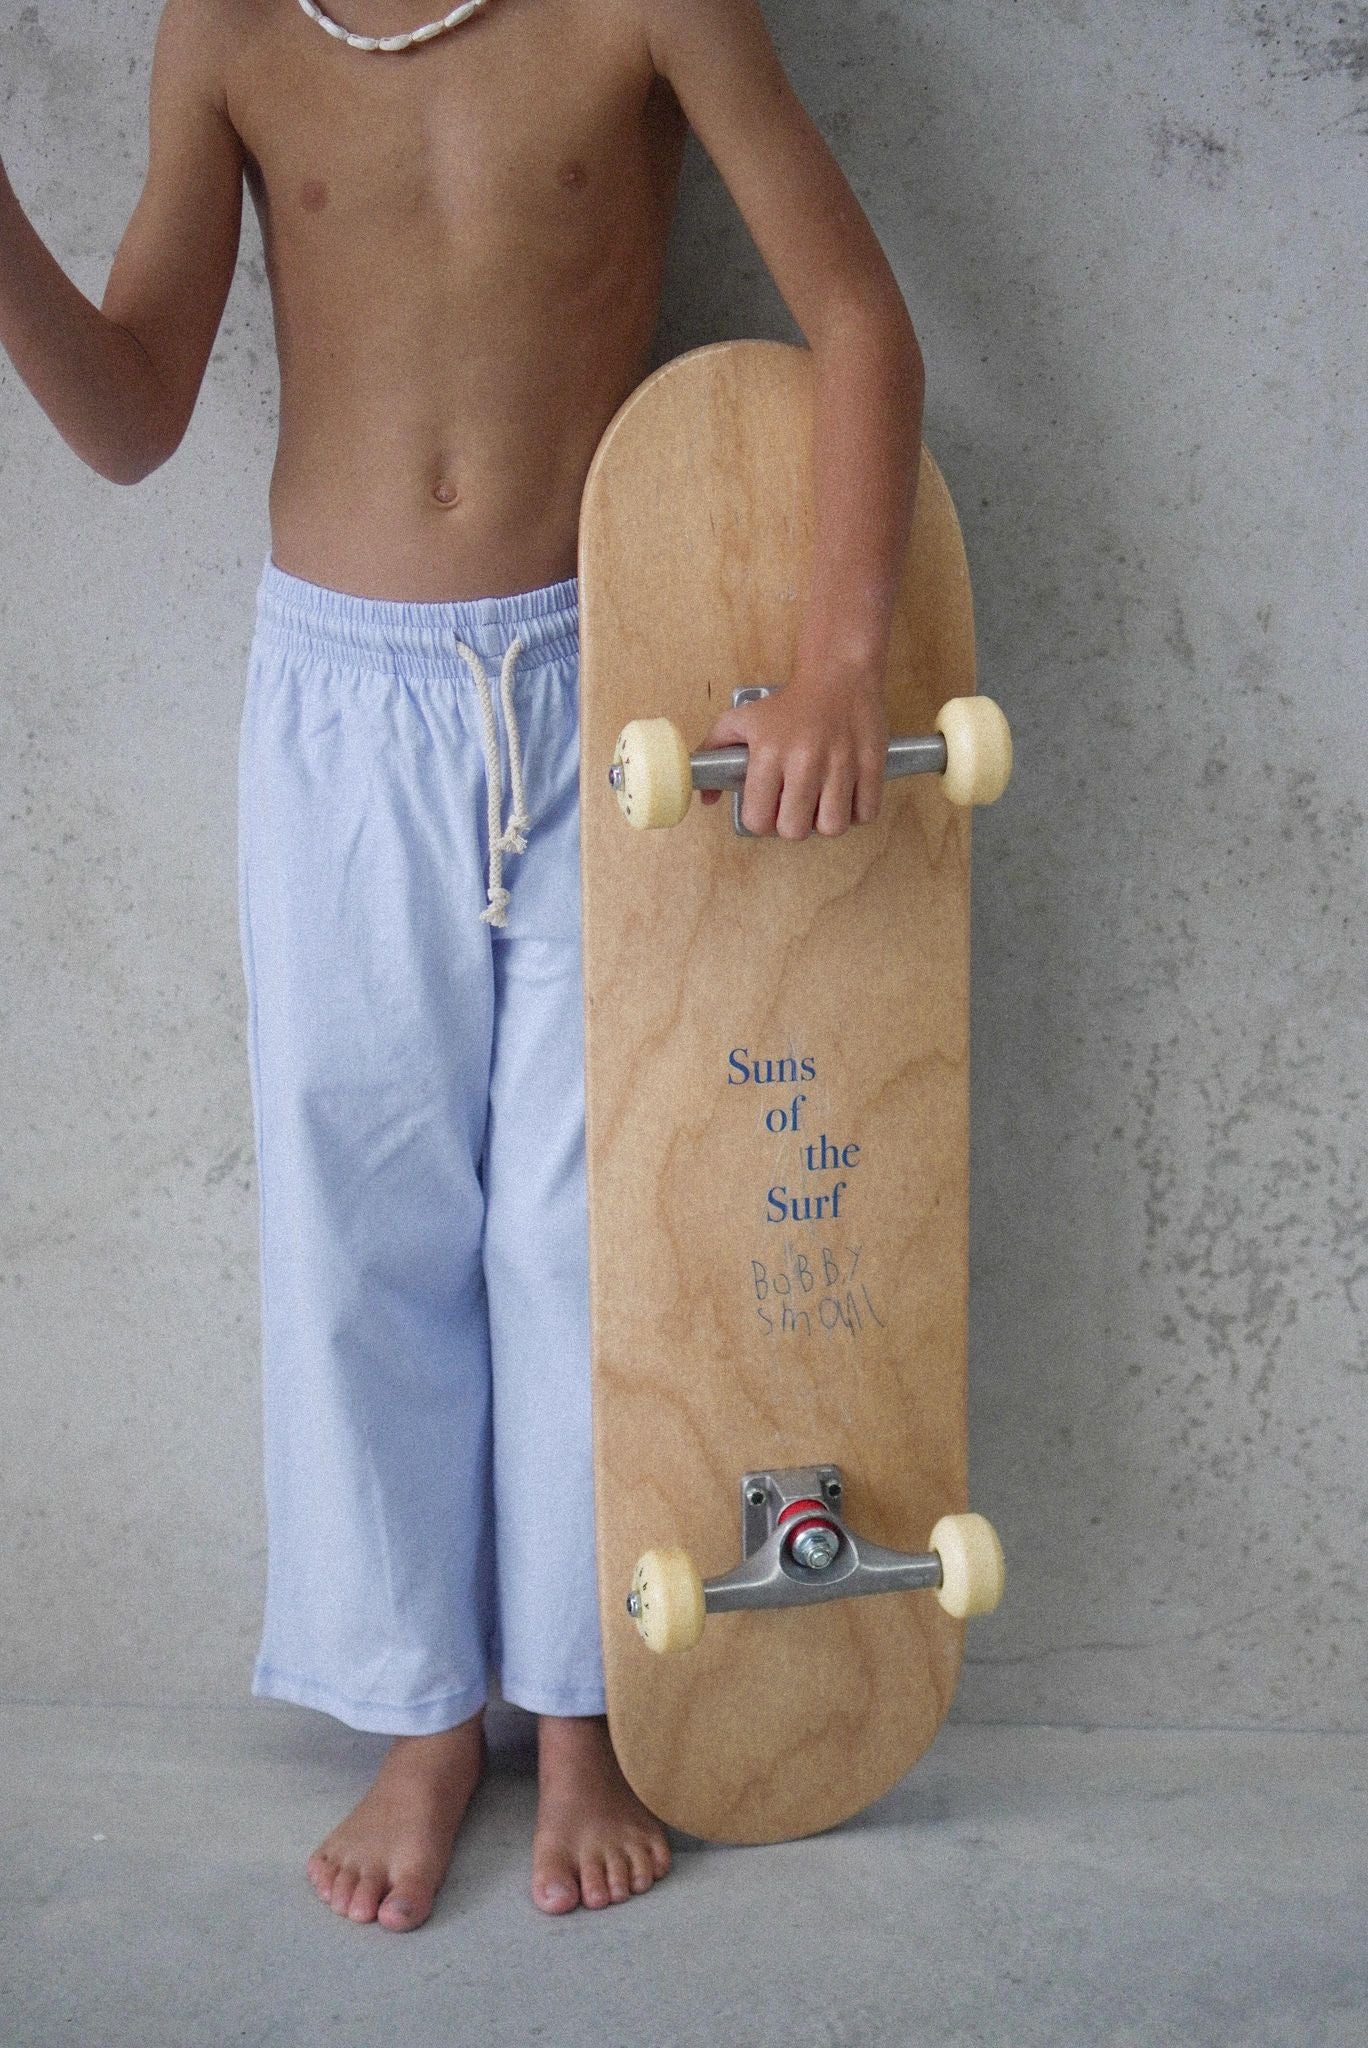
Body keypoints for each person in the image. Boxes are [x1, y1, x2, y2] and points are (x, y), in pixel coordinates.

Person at [0, 0, 924, 1929]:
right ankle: (420, 1714)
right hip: (342, 708)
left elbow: (856, 313)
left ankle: (584, 1705)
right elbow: (127, 413)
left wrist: (844, 659)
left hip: (612, 676)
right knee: (358, 1217)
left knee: (581, 1233)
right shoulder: (229, 27)